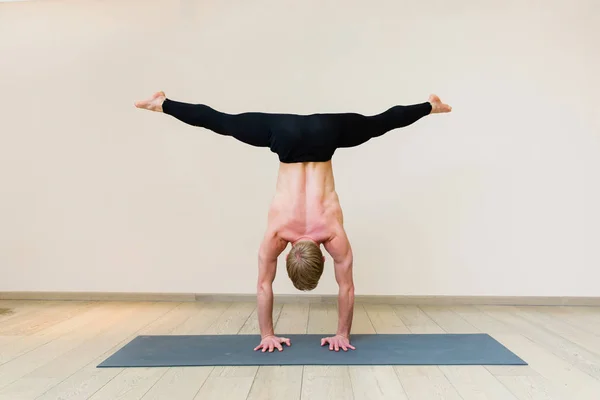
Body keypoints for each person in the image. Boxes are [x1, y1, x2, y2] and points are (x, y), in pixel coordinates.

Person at [134, 91, 452, 352]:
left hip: (326, 135)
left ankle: (429, 106)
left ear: (322, 258)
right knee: (223, 123)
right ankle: (161, 104)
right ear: (287, 254)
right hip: (284, 137)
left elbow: (346, 288)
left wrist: (341, 333)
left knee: (378, 123)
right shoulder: (278, 235)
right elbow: (263, 286)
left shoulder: (332, 234)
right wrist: (266, 335)